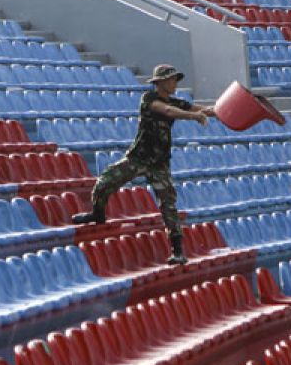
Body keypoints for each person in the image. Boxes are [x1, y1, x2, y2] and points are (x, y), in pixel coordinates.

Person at [72, 63, 217, 265]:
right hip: (138, 158)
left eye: (175, 79)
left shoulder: (177, 102)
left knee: (168, 205)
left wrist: (220, 110)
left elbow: (202, 109)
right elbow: (167, 110)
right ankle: (97, 214)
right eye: (171, 79)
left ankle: (177, 251)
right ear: (161, 82)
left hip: (159, 164)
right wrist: (193, 116)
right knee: (105, 182)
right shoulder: (149, 99)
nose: (175, 83)